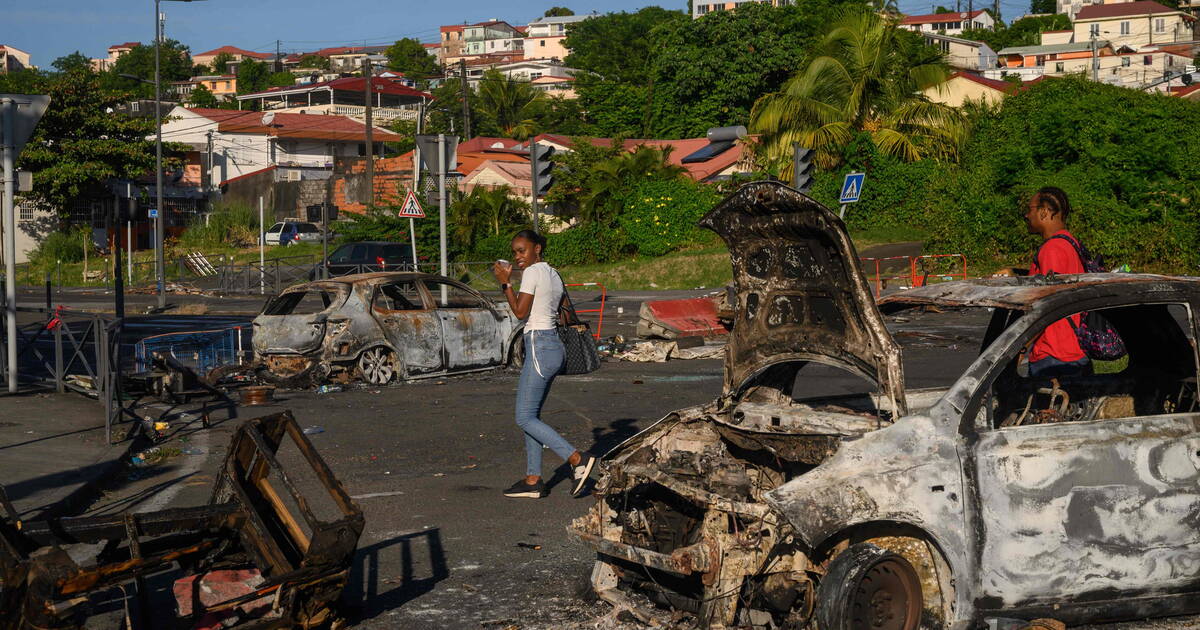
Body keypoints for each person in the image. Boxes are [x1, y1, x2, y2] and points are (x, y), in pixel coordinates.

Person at [492, 230, 596, 498]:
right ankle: (533, 479)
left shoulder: (533, 272)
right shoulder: (553, 273)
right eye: (515, 252)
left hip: (539, 345)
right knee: (532, 414)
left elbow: (519, 312)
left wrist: (506, 283)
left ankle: (577, 459)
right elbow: (562, 309)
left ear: (537, 248)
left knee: (523, 416)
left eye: (522, 250)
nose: (518, 257)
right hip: (554, 347)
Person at [1023, 187, 1090, 378]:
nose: (1027, 216)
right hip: (1074, 350)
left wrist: (1021, 348)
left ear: (1044, 211)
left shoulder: (1051, 250)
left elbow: (1046, 304)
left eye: (1030, 209)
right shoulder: (1070, 243)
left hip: (1053, 354)